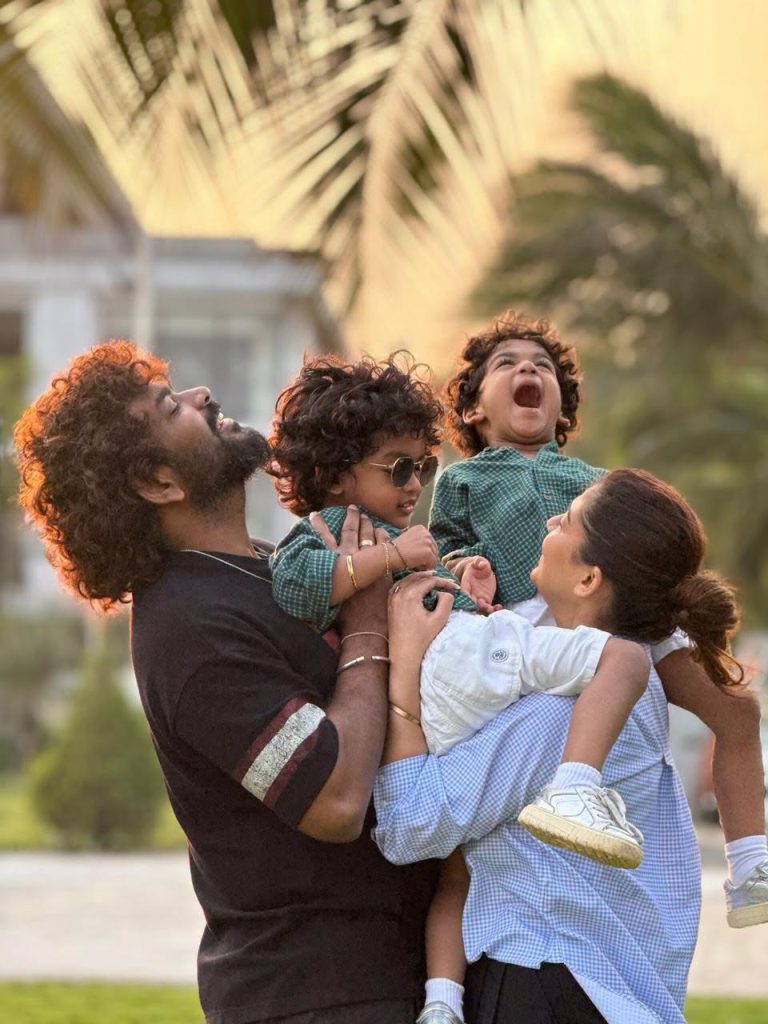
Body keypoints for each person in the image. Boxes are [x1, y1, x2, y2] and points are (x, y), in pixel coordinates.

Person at [13, 340, 439, 1024]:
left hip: (384, 976)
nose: (201, 396)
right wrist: (366, 627)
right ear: (160, 483)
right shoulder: (190, 629)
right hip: (318, 993)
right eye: (169, 407)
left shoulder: (269, 570)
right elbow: (333, 800)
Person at [268, 354, 664, 1022]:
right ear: (335, 475)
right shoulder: (328, 533)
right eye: (398, 468)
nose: (415, 484)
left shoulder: (402, 537)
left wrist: (466, 586)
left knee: (463, 865)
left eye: (423, 467)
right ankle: (576, 787)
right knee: (622, 660)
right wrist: (392, 558)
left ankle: (443, 1000)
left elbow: (429, 598)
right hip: (454, 670)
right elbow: (296, 583)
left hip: (448, 683)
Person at [418, 311, 768, 1023]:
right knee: (472, 850)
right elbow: (444, 552)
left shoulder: (593, 479)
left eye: (542, 366)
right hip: (529, 633)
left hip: (624, 619)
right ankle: (445, 992)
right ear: (474, 410)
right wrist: (465, 575)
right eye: (507, 364)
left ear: (562, 406)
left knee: (738, 710)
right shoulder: (463, 481)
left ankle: (752, 863)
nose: (528, 371)